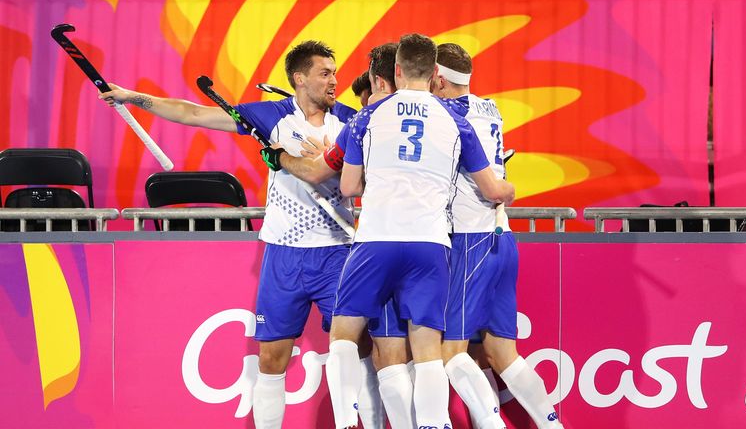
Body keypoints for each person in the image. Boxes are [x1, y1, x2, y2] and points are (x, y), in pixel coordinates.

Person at [98, 40, 378, 429]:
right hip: (284, 253)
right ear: (299, 78)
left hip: (338, 253)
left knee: (358, 350)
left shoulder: (351, 121)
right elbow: (194, 113)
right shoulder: (272, 117)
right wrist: (135, 97)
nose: (334, 81)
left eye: (334, 72)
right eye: (325, 73)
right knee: (271, 359)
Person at [325, 33, 516, 429]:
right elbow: (492, 188)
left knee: (344, 335)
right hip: (430, 244)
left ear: (395, 70)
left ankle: (345, 422)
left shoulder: (367, 116)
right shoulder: (456, 120)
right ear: (433, 74)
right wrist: (508, 189)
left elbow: (346, 187)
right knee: (428, 351)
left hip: (376, 240)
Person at [264, 42, 417, 429]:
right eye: (326, 73)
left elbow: (343, 183)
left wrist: (295, 158)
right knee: (412, 354)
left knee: (373, 350)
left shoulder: (359, 123)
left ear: (385, 79)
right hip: (413, 249)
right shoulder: (397, 119)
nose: (333, 80)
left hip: (359, 251)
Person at [432, 43, 564, 429]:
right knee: (500, 351)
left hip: (471, 238)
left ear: (438, 78)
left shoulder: (447, 114)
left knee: (448, 352)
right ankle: (551, 423)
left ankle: (492, 425)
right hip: (502, 237)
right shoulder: (490, 107)